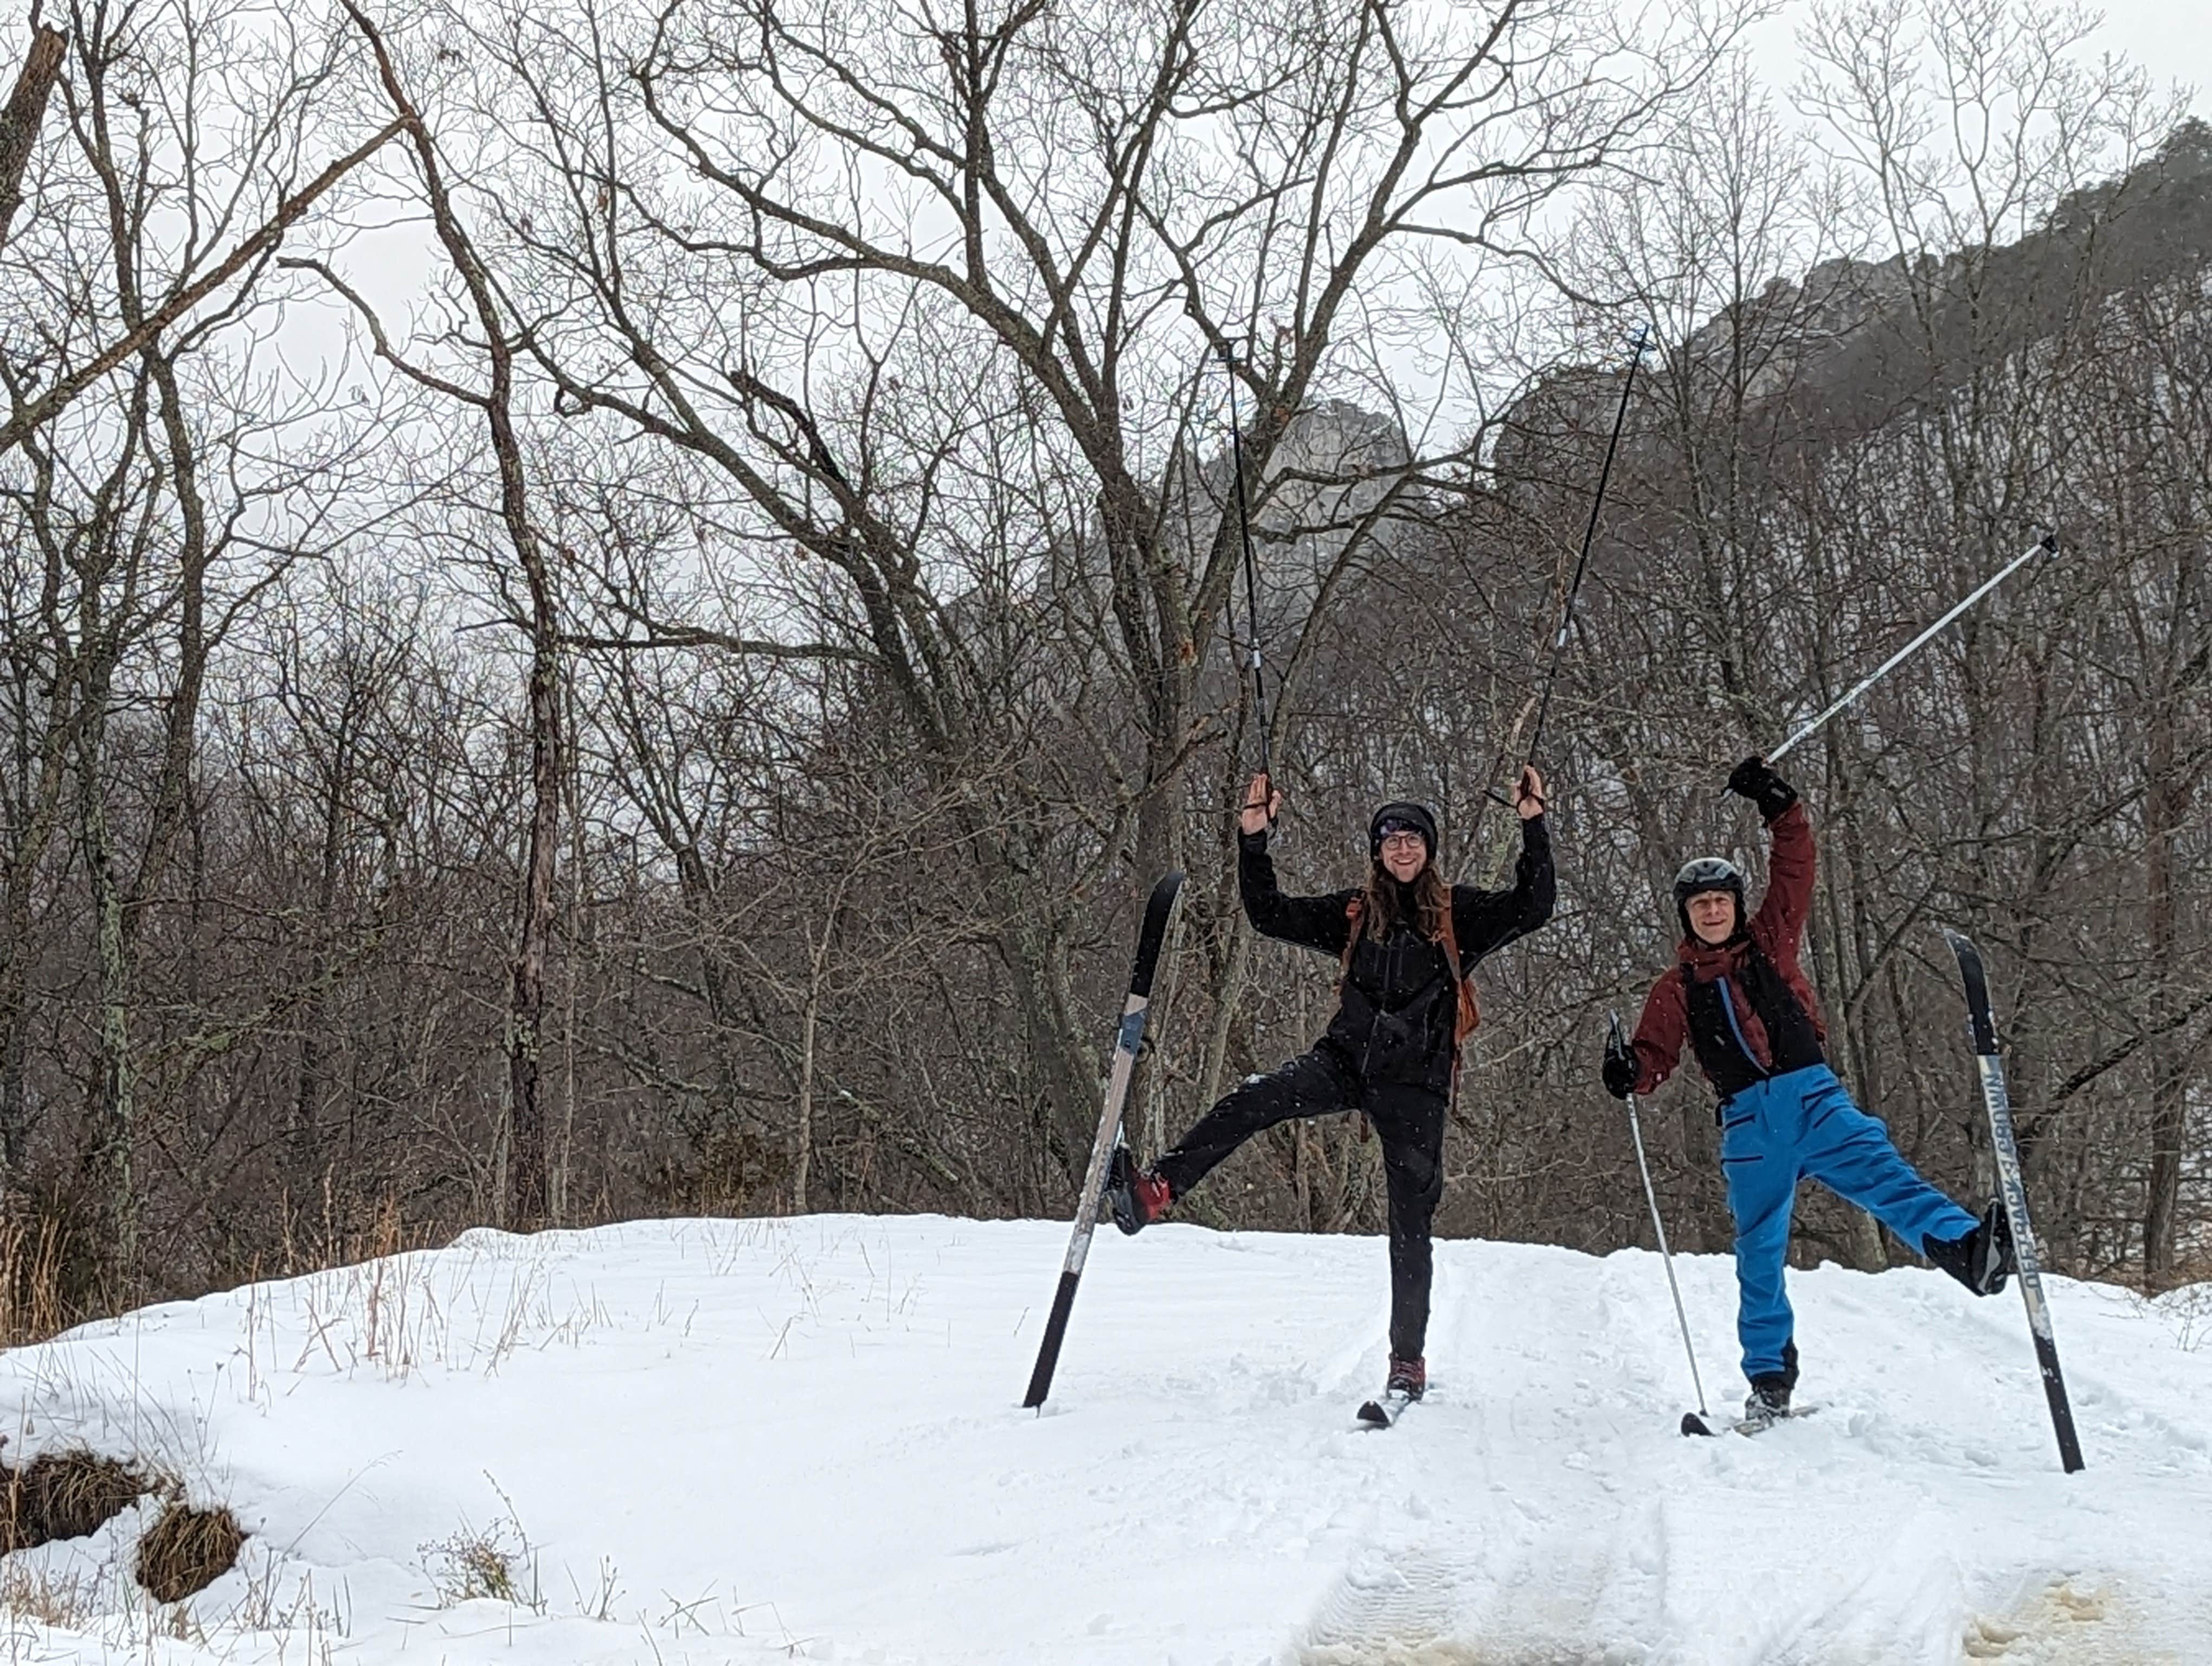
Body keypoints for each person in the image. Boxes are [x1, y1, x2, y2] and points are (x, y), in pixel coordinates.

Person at [1108, 766, 1555, 1407]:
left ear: (1428, 849)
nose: (1402, 849)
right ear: (1378, 850)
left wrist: (1533, 823)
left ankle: (1407, 1362)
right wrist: (1255, 839)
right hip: (1345, 1062)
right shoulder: (1354, 912)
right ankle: (1155, 1191)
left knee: (1410, 1224)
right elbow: (1268, 915)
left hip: (1418, 1088)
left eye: (1413, 839)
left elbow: (1534, 906)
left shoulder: (1461, 914)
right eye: (1391, 839)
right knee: (1255, 1096)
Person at [1603, 754, 2015, 1426]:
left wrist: (1777, 802)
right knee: (1758, 1255)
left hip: (1812, 1098)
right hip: (1748, 1128)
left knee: (1887, 1178)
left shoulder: (1769, 942)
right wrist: (1629, 1072)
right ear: (1687, 916)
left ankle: (1971, 1252)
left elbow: (1795, 865)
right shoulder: (1674, 989)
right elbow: (1654, 1059)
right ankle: (1769, 1381)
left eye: (1721, 901)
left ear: (1736, 907)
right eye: (1700, 905)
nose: (1712, 911)